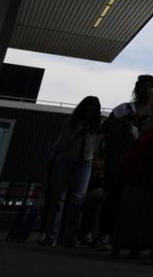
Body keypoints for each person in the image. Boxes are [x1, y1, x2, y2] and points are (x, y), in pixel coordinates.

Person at [98, 74, 153, 247]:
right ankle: (106, 233)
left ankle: (129, 234)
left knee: (137, 199)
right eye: (143, 86)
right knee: (114, 197)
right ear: (137, 89)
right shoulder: (124, 109)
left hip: (144, 161)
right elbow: (104, 128)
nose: (147, 89)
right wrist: (123, 121)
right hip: (119, 160)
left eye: (151, 86)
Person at [42, 96, 102, 247]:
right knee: (58, 199)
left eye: (92, 109)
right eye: (88, 108)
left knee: (77, 200)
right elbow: (62, 144)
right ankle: (51, 236)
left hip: (84, 163)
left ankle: (69, 236)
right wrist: (78, 133)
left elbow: (98, 146)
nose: (89, 112)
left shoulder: (96, 126)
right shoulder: (71, 123)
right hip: (66, 160)